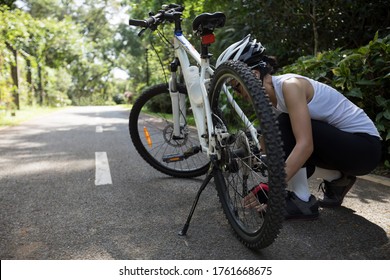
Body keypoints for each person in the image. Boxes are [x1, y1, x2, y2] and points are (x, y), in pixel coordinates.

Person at [216, 35, 382, 220]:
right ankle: (337, 179)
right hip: (347, 149)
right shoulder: (269, 101)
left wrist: (273, 187)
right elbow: (270, 150)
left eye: (237, 87)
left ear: (253, 75)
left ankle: (302, 201)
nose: (238, 94)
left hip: (365, 148)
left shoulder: (290, 85)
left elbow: (305, 145)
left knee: (285, 126)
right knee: (277, 144)